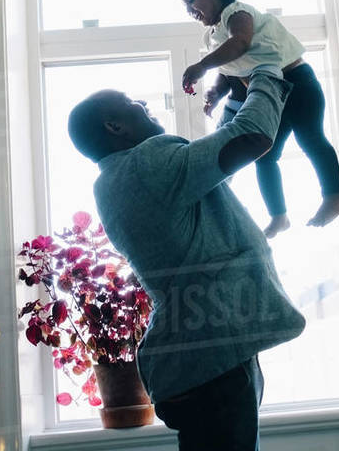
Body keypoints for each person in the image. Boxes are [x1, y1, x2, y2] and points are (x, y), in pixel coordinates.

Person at [67, 69, 306, 451]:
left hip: (201, 361)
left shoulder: (120, 179)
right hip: (213, 363)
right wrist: (266, 73)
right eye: (133, 104)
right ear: (115, 126)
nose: (144, 105)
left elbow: (214, 164)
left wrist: (235, 95)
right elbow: (252, 137)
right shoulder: (147, 165)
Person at [178, 0, 339, 238]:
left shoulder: (237, 13)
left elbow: (240, 45)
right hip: (268, 95)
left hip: (296, 83)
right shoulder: (213, 35)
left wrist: (201, 66)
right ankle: (278, 215)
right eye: (185, 3)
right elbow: (231, 68)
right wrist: (217, 93)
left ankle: (334, 196)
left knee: (311, 139)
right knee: (264, 155)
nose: (189, 8)